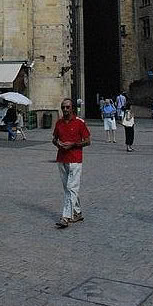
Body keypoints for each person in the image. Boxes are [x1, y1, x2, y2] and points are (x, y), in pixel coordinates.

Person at [52, 98, 91, 228]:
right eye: (63, 107)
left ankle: (66, 217)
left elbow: (87, 141)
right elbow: (54, 139)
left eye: (67, 107)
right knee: (68, 188)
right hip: (62, 158)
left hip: (75, 159)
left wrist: (73, 144)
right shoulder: (59, 123)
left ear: (72, 108)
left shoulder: (80, 123)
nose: (65, 110)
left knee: (71, 188)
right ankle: (78, 212)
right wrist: (58, 144)